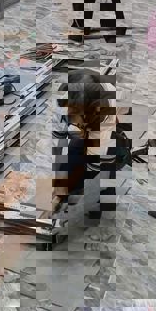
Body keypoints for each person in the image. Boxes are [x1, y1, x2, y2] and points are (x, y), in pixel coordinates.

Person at [51, 69, 131, 220]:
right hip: (92, 120)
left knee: (106, 167)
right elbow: (59, 144)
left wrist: (73, 188)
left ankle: (104, 205)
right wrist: (59, 180)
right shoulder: (62, 104)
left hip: (109, 126)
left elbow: (94, 164)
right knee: (72, 155)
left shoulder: (105, 114)